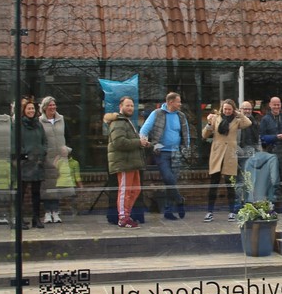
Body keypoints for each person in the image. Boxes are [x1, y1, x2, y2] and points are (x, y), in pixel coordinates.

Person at [140, 92, 192, 220]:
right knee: (168, 178)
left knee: (171, 180)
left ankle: (168, 211)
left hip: (176, 152)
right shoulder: (157, 113)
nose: (180, 104)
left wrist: (186, 148)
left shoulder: (181, 116)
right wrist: (144, 140)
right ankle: (179, 200)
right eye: (178, 102)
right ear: (170, 102)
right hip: (161, 152)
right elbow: (144, 129)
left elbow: (186, 133)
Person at [202, 98, 250, 221]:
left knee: (230, 184)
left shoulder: (236, 120)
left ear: (233, 109)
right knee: (214, 183)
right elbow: (204, 135)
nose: (227, 111)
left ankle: (232, 212)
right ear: (222, 109)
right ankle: (209, 211)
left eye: (229, 109)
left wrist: (239, 113)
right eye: (225, 109)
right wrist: (208, 124)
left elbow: (248, 123)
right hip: (217, 154)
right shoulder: (215, 118)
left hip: (230, 154)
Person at [103, 96, 145, 228]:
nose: (130, 108)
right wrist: (138, 142)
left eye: (132, 105)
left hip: (132, 162)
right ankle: (123, 218)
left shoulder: (126, 121)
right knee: (125, 191)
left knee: (135, 190)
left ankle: (126, 214)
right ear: (120, 107)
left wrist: (143, 143)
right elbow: (119, 142)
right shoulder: (118, 122)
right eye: (127, 105)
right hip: (124, 163)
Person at [12, 97, 47, 229]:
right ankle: (19, 219)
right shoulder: (18, 125)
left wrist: (42, 153)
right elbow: (16, 143)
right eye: (29, 108)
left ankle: (36, 218)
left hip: (38, 163)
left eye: (33, 108)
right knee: (21, 193)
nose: (31, 110)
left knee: (36, 193)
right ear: (24, 110)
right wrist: (24, 156)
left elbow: (44, 141)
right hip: (25, 163)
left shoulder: (39, 125)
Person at [38, 97, 71, 224]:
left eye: (54, 105)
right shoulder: (40, 121)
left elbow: (68, 136)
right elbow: (39, 139)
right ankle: (47, 212)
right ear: (44, 107)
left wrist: (67, 149)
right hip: (47, 158)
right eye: (50, 105)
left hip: (61, 158)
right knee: (47, 186)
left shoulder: (61, 119)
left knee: (58, 184)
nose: (53, 107)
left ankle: (56, 211)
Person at [234, 99, 260, 215]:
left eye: (249, 109)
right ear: (240, 109)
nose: (247, 111)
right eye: (245, 109)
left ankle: (248, 203)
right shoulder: (235, 121)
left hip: (250, 152)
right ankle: (238, 203)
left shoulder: (254, 122)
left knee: (250, 179)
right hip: (237, 153)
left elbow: (257, 140)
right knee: (239, 180)